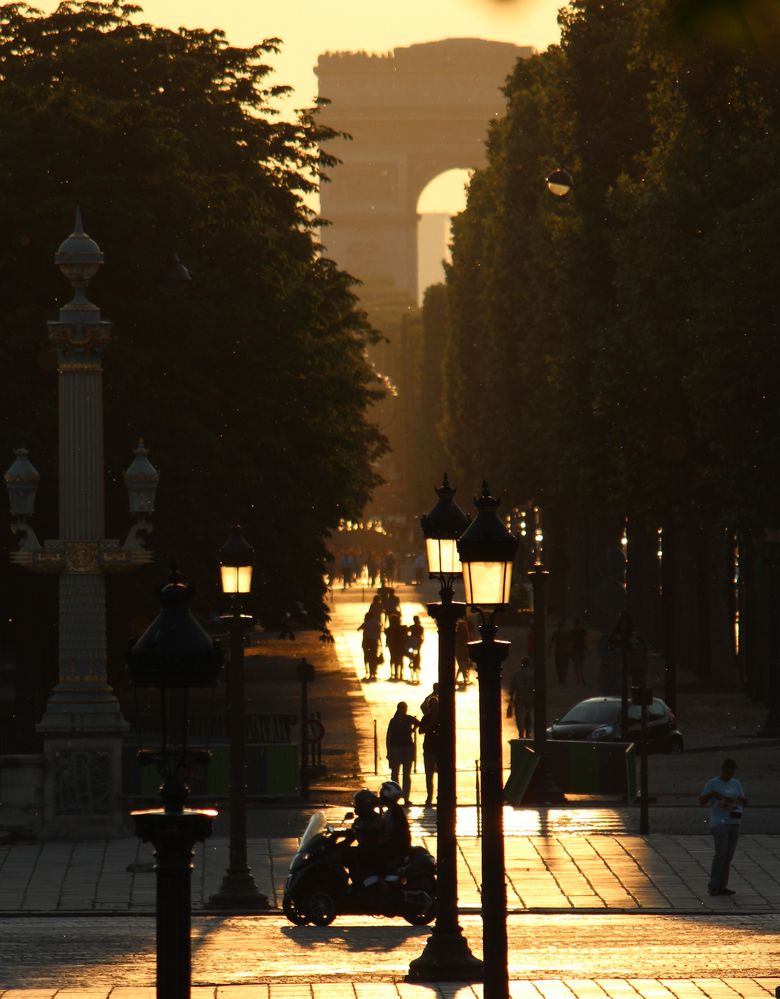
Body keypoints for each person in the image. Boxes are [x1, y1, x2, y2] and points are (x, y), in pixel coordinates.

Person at [700, 758, 747, 896]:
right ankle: (713, 885)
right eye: (727, 773)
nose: (729, 776)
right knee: (720, 854)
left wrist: (741, 801)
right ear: (722, 770)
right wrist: (712, 795)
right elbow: (701, 800)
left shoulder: (737, 783)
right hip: (719, 823)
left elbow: (742, 799)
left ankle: (722, 885)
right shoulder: (713, 783)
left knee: (728, 856)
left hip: (734, 821)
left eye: (731, 774)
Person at [386, 701, 419, 804]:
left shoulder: (409, 718)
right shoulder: (394, 721)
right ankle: (394, 797)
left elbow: (419, 723)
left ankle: (406, 798)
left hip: (407, 748)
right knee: (395, 774)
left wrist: (413, 729)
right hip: (396, 748)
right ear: (399, 709)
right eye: (402, 708)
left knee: (406, 775)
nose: (404, 710)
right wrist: (389, 751)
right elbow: (389, 736)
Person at [348, 788, 383, 885]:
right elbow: (352, 834)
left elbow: (372, 832)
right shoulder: (359, 820)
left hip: (374, 853)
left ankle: (363, 883)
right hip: (364, 850)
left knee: (356, 857)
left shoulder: (375, 819)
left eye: (358, 804)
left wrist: (362, 830)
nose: (355, 807)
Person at [378, 779, 411, 869]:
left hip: (396, 847)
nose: (380, 796)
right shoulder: (391, 809)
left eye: (381, 794)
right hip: (393, 844)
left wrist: (385, 839)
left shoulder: (395, 810)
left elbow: (399, 831)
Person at [418, 692, 439, 807]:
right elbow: (420, 731)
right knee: (429, 775)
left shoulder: (441, 717)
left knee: (440, 774)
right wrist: (429, 726)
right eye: (432, 706)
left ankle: (439, 795)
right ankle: (429, 796)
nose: (434, 709)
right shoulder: (426, 718)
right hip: (429, 748)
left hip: (438, 749)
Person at [507, 656, 535, 739]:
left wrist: (511, 698)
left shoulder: (517, 673)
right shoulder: (532, 674)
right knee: (529, 714)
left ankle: (521, 732)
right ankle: (528, 730)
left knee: (519, 716)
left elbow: (512, 687)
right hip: (529, 696)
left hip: (520, 696)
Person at [358, 607, 382, 681]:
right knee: (374, 657)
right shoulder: (377, 623)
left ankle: (367, 670)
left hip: (366, 641)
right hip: (374, 642)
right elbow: (379, 634)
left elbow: (358, 629)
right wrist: (381, 644)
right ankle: (374, 672)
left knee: (366, 656)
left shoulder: (366, 623)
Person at [385, 612, 408, 681]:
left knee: (393, 659)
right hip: (400, 645)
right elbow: (406, 636)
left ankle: (394, 674)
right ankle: (400, 674)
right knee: (400, 659)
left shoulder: (389, 629)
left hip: (392, 646)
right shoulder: (403, 628)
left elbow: (387, 637)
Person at [549, 619, 570, 685]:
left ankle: (560, 678)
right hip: (565, 651)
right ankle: (563, 678)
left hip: (558, 651)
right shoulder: (567, 633)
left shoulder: (556, 633)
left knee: (558, 665)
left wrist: (549, 650)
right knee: (565, 665)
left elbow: (551, 642)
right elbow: (571, 642)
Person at [455, 617, 473, 687]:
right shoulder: (464, 634)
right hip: (463, 650)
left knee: (461, 665)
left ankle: (461, 678)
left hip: (460, 650)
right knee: (463, 665)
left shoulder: (458, 634)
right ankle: (465, 679)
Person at [569, 618, 588, 684]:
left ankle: (578, 679)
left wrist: (569, 649)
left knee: (576, 664)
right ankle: (582, 678)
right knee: (581, 664)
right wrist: (587, 648)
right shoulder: (583, 631)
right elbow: (585, 640)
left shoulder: (572, 631)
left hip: (575, 649)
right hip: (582, 648)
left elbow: (571, 641)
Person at [406, 614, 425, 683]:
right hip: (416, 644)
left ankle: (414, 674)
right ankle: (416, 673)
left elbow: (407, 634)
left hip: (413, 643)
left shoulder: (412, 627)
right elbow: (422, 637)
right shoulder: (420, 627)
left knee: (412, 658)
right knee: (416, 658)